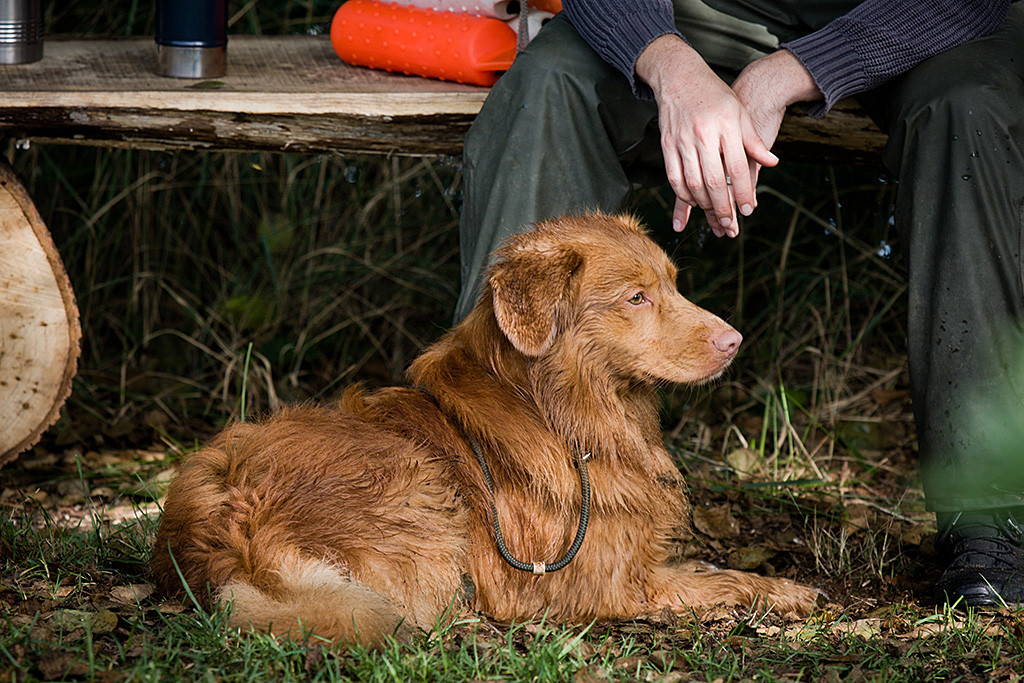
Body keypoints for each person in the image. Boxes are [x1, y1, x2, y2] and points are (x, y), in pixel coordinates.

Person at [454, 0, 1024, 607]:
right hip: (695, 14)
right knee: (548, 85)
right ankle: (496, 467)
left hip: (917, 20)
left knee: (973, 106)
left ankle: (991, 511)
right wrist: (671, 66)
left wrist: (791, 71)